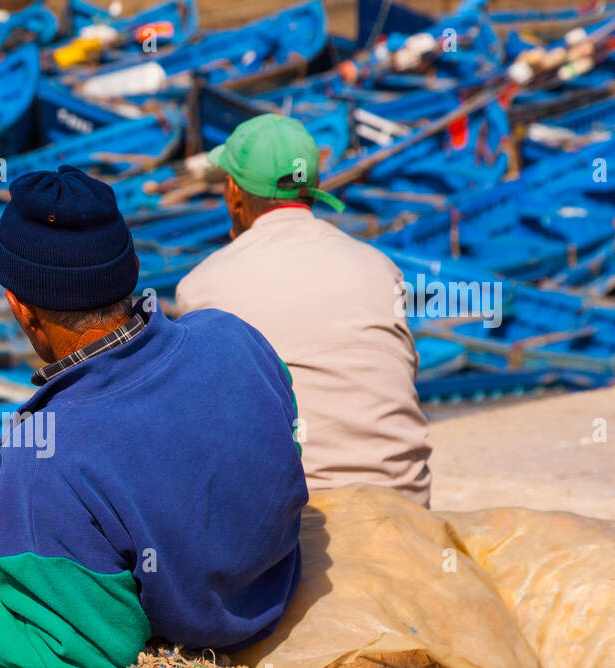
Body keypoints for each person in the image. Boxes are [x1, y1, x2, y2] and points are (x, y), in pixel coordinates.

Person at [0, 165, 308, 668]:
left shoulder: (43, 456)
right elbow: (287, 446)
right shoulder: (234, 337)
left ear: (20, 308)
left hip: (214, 634)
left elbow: (84, 640)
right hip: (282, 584)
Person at [176, 113, 432, 506]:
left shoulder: (201, 287)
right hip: (406, 502)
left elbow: (203, 429)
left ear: (234, 192)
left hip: (295, 522)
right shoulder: (380, 267)